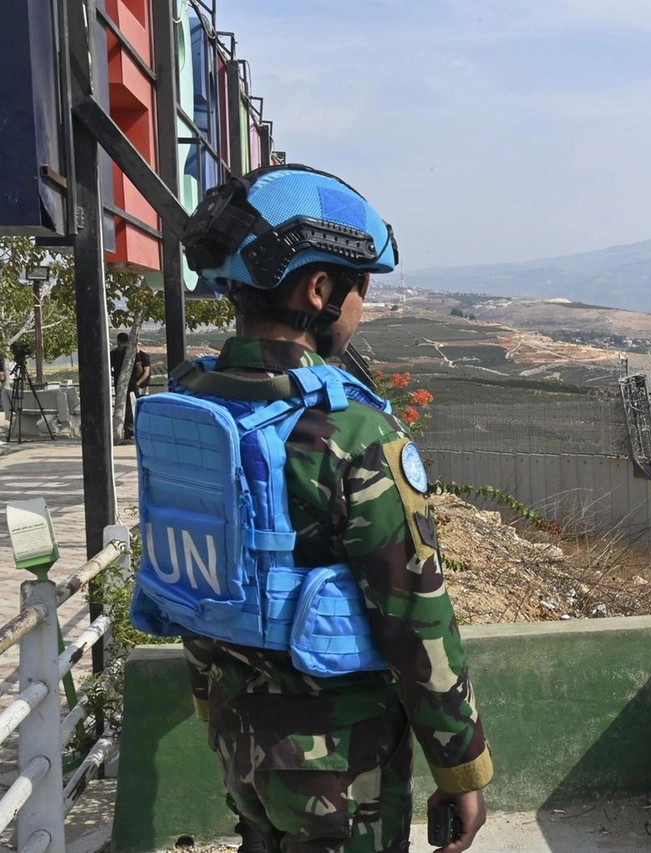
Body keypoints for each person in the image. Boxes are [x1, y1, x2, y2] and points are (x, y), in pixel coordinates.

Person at [129, 164, 491, 853]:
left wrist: (213, 699)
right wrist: (460, 766)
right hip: (340, 761)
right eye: (360, 288)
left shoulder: (195, 409)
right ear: (320, 290)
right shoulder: (354, 434)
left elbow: (194, 576)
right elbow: (417, 616)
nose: (362, 308)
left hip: (238, 738)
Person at [109, 332, 150, 439]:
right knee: (132, 406)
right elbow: (140, 369)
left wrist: (116, 375)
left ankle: (121, 430)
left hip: (119, 383)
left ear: (118, 341)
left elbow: (109, 369)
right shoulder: (132, 353)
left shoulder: (113, 353)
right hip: (132, 383)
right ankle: (130, 430)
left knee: (121, 406)